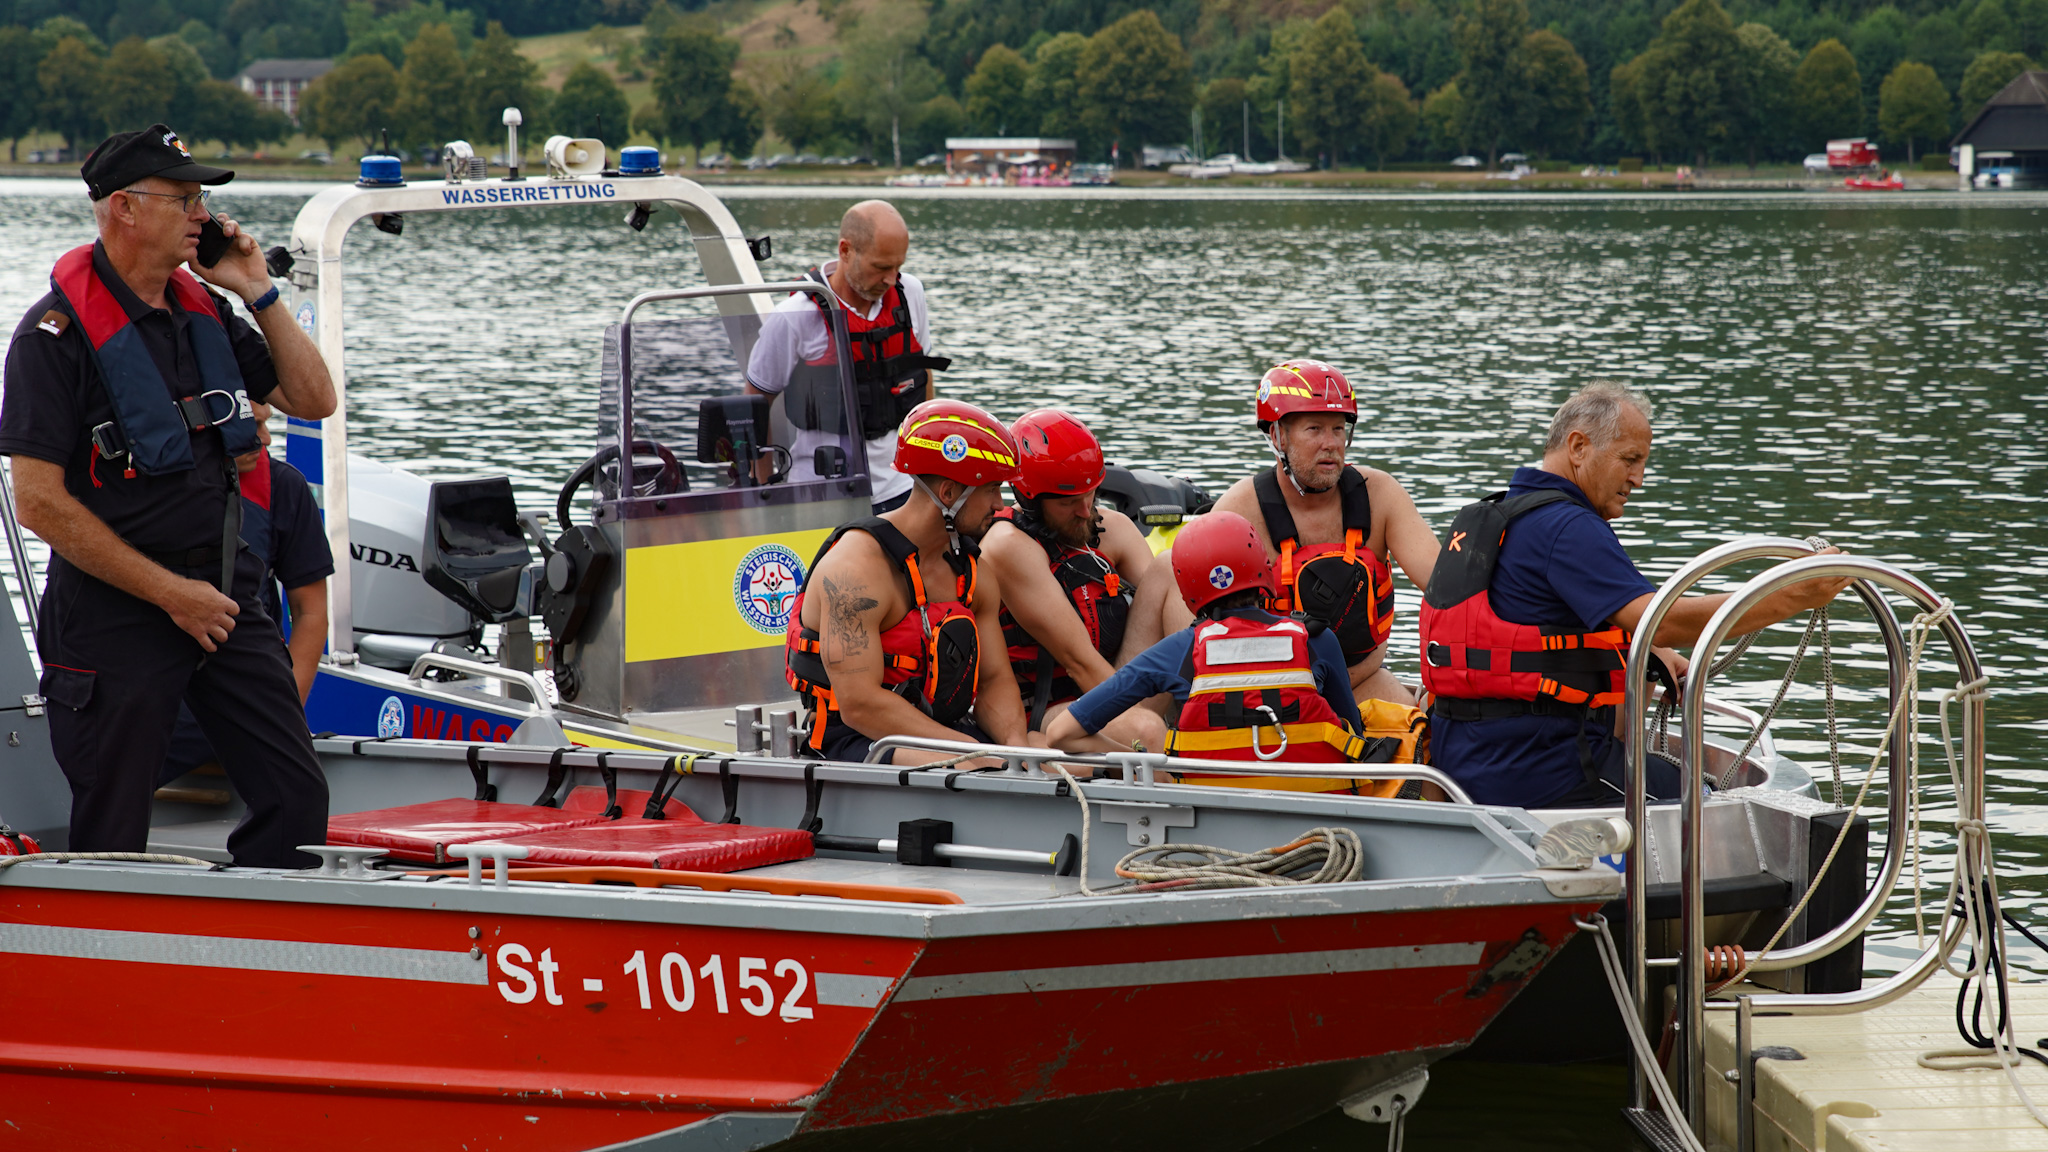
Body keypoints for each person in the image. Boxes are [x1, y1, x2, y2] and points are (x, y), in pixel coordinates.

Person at [0, 125, 338, 867]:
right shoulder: (51, 339)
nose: (203, 214)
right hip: (115, 613)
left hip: (223, 600)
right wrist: (167, 594)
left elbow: (315, 400)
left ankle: (267, 960)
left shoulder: (207, 311)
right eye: (184, 197)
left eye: (202, 198)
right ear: (124, 207)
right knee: (114, 824)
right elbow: (39, 504)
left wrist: (257, 289)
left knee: (294, 798)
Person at [1422, 383, 1849, 809]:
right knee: (1712, 803)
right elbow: (1663, 620)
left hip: (1468, 759)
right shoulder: (1566, 528)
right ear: (1578, 447)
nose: (1638, 480)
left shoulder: (1498, 516)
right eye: (1630, 460)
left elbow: (1558, 623)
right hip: (1544, 769)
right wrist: (1790, 594)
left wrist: (1646, 651)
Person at [1153, 359, 1438, 709]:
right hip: (1264, 691)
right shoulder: (1240, 510)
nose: (1331, 444)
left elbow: (1447, 590)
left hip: (1360, 679)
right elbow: (1206, 632)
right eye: (1314, 429)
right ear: (1277, 436)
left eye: (1338, 429)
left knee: (1415, 743)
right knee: (1165, 565)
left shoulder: (1380, 495)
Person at [1048, 512, 1388, 793]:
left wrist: (1145, 762)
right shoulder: (1318, 639)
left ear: (1187, 589)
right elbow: (1352, 735)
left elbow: (1061, 733)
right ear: (1262, 568)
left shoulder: (1179, 649)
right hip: (1319, 815)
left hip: (1212, 813)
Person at [784, 399, 1029, 764]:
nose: (1000, 503)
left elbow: (994, 680)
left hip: (944, 733)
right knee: (979, 768)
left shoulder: (973, 572)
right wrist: (975, 754)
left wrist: (1015, 748)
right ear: (948, 494)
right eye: (992, 489)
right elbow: (860, 706)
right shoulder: (854, 573)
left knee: (1050, 762)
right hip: (852, 740)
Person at [158, 400, 333, 787]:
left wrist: (289, 715)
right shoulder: (143, 487)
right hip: (157, 684)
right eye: (251, 426)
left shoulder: (283, 487)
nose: (265, 439)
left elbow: (311, 611)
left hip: (241, 683)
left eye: (267, 424)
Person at [745, 200, 948, 512]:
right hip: (822, 491)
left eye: (898, 267)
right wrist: (761, 492)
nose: (892, 279)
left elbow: (924, 375)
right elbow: (756, 400)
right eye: (881, 267)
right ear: (845, 251)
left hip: (903, 489)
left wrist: (930, 469)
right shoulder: (795, 315)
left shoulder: (910, 293)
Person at [981, 409, 1164, 753]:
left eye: (1090, 493)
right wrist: (1152, 728)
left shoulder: (1114, 527)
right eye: (1068, 502)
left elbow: (1180, 615)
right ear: (1028, 498)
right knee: (1147, 729)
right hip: (1048, 710)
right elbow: (1081, 663)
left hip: (1111, 690)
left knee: (1167, 568)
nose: (1085, 510)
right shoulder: (1008, 545)